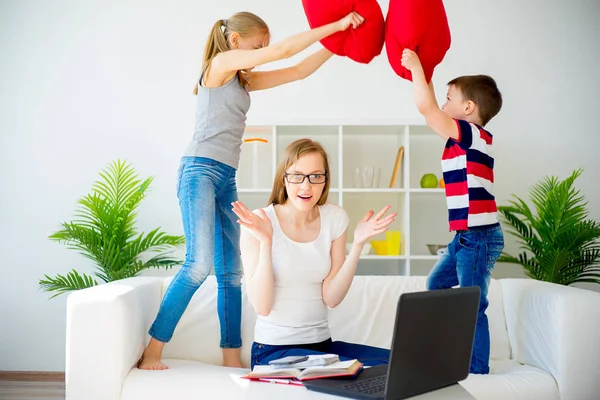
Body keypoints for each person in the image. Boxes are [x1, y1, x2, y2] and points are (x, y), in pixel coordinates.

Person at [138, 11, 366, 370]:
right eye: (258, 44)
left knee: (231, 271)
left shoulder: (242, 81)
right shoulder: (220, 64)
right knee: (199, 265)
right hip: (198, 170)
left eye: (263, 45)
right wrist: (336, 25)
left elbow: (298, 70)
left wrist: (340, 44)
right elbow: (283, 53)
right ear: (235, 41)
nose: (263, 49)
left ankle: (231, 357)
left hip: (225, 175)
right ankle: (153, 350)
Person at [232, 139, 397, 369]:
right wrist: (267, 241)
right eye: (297, 176)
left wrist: (357, 245)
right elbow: (262, 306)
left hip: (321, 347)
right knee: (352, 371)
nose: (306, 186)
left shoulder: (335, 219)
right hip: (273, 352)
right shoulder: (259, 222)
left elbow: (332, 298)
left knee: (399, 362)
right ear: (284, 178)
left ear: (325, 180)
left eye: (316, 176)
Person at [400, 49, 504, 374]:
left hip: (478, 236)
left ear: (468, 109)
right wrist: (426, 72)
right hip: (466, 235)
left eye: (449, 99)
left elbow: (427, 110)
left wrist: (418, 66)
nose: (443, 105)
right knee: (436, 285)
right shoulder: (462, 139)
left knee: (472, 304)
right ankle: (451, 349)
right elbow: (432, 107)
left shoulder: (473, 134)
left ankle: (476, 370)